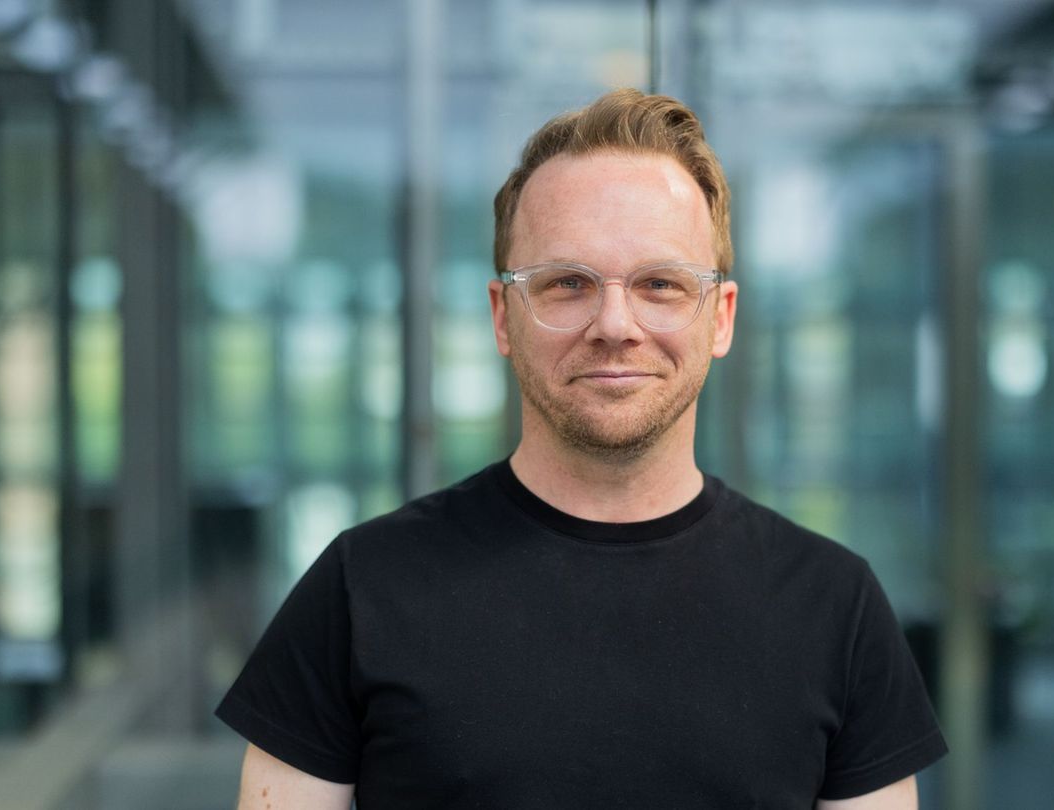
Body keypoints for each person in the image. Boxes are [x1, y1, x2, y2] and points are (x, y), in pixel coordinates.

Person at [217, 88, 947, 809]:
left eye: (661, 283)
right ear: (503, 317)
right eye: (568, 283)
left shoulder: (835, 607)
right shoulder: (360, 589)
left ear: (720, 318)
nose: (615, 323)